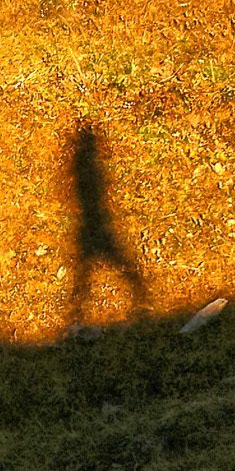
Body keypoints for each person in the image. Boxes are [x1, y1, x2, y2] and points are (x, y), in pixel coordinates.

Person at [68, 122, 149, 324]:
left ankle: (76, 311)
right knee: (101, 266)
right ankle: (141, 296)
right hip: (99, 224)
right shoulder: (90, 166)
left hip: (88, 226)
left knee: (85, 270)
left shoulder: (80, 166)